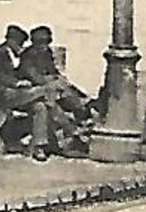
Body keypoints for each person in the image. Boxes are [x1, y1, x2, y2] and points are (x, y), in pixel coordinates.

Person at [0, 24, 59, 160]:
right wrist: (17, 83)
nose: (21, 47)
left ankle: (38, 147)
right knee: (45, 91)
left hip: (15, 95)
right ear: (11, 41)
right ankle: (69, 128)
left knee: (40, 107)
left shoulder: (17, 56)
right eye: (19, 44)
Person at [17, 25, 91, 153]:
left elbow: (53, 71)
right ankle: (76, 126)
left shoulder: (46, 53)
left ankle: (82, 113)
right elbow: (36, 78)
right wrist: (53, 79)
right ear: (34, 42)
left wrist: (58, 78)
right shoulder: (27, 56)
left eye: (46, 42)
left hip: (48, 92)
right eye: (41, 43)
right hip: (31, 93)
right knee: (50, 102)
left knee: (61, 88)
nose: (44, 46)